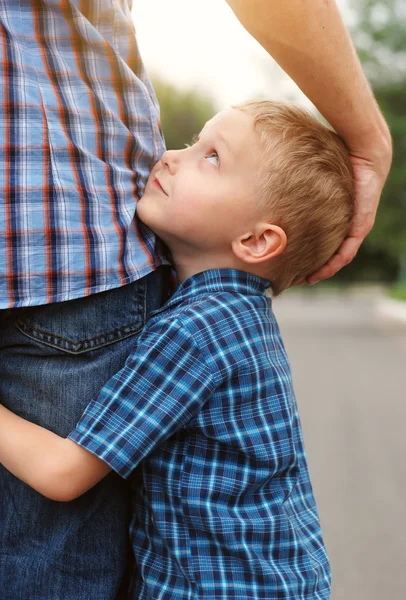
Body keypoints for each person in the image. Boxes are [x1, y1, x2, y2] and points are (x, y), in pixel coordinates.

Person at [0, 2, 392, 599]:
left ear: (258, 240)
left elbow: (63, 474)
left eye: (210, 158)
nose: (171, 156)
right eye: (192, 142)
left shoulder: (197, 329)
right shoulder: (234, 316)